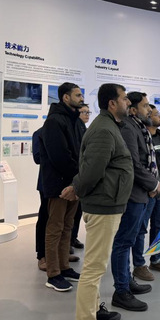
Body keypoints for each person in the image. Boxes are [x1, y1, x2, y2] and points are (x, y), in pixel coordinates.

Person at [60, 84, 133, 320]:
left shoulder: (108, 126)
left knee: (97, 266)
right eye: (124, 99)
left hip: (107, 203)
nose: (128, 103)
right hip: (103, 205)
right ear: (112, 103)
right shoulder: (103, 129)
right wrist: (77, 187)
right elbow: (92, 170)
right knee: (93, 268)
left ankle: (93, 311)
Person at [110, 92, 160, 311]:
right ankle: (121, 291)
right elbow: (133, 163)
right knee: (123, 242)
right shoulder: (129, 129)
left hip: (141, 193)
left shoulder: (139, 128)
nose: (149, 109)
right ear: (133, 110)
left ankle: (127, 280)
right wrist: (153, 184)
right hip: (133, 194)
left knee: (129, 240)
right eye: (145, 106)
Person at [39, 82, 84, 292]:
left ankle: (64, 267)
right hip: (59, 184)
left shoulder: (75, 121)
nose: (81, 98)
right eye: (78, 95)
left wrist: (78, 181)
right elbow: (59, 156)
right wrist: (76, 177)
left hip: (74, 183)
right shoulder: (54, 121)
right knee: (55, 227)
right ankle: (53, 273)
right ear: (66, 97)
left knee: (68, 226)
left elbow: (81, 151)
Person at [134, 105, 160, 277]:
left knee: (159, 226)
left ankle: (156, 259)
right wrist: (150, 186)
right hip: (147, 191)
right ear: (148, 117)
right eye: (156, 115)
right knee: (141, 228)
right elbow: (140, 165)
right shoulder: (142, 136)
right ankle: (139, 264)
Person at [71, 103, 91, 250]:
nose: (86, 115)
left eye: (88, 112)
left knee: (77, 211)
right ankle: (69, 240)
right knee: (71, 214)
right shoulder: (76, 128)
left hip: (81, 175)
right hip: (75, 176)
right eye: (84, 112)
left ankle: (73, 237)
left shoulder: (85, 129)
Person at [32, 127, 49, 271]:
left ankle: (62, 251)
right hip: (46, 183)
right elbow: (37, 158)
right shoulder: (39, 133)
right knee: (45, 218)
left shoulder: (69, 130)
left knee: (63, 220)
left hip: (65, 182)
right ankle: (41, 255)